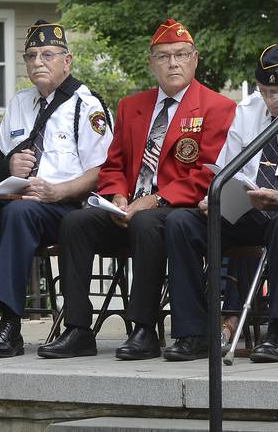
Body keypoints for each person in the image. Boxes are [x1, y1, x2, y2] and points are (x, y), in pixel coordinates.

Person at [37, 19, 236, 360]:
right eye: (163, 57)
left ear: (195, 59)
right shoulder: (132, 106)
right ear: (151, 63)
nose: (173, 63)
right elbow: (113, 165)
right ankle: (78, 328)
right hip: (127, 208)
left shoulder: (218, 107)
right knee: (76, 223)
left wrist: (155, 199)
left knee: (147, 222)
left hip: (176, 209)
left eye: (181, 55)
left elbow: (209, 172)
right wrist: (117, 196)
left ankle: (143, 328)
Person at [162, 41, 278, 362]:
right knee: (181, 222)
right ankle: (192, 332)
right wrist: (215, 197)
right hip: (247, 209)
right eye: (264, 91)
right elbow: (226, 168)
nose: (269, 100)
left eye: (277, 92)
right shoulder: (249, 110)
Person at [0, 20, 114, 358]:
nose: (38, 61)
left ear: (67, 60)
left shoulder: (88, 107)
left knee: (19, 211)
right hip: (17, 208)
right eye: (31, 55)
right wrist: (10, 166)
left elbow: (101, 171)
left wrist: (60, 190)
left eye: (48, 54)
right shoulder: (20, 103)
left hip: (64, 210)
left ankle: (10, 325)